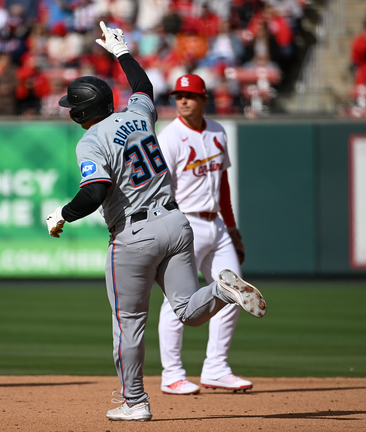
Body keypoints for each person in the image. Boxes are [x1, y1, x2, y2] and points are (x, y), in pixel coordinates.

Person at [45, 21, 267, 422]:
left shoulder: (90, 140)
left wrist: (61, 213)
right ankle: (221, 291)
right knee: (188, 309)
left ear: (79, 113)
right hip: (176, 223)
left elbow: (94, 193)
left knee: (128, 324)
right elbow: (143, 87)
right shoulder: (140, 115)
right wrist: (122, 53)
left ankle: (135, 403)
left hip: (134, 234)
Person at [155, 73, 250, 396]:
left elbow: (223, 187)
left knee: (235, 291)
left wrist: (233, 229)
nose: (182, 101)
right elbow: (159, 187)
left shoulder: (218, 132)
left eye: (189, 96)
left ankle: (216, 368)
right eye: (178, 96)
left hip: (217, 226)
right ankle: (172, 374)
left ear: (203, 99)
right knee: (176, 302)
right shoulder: (169, 136)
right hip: (185, 225)